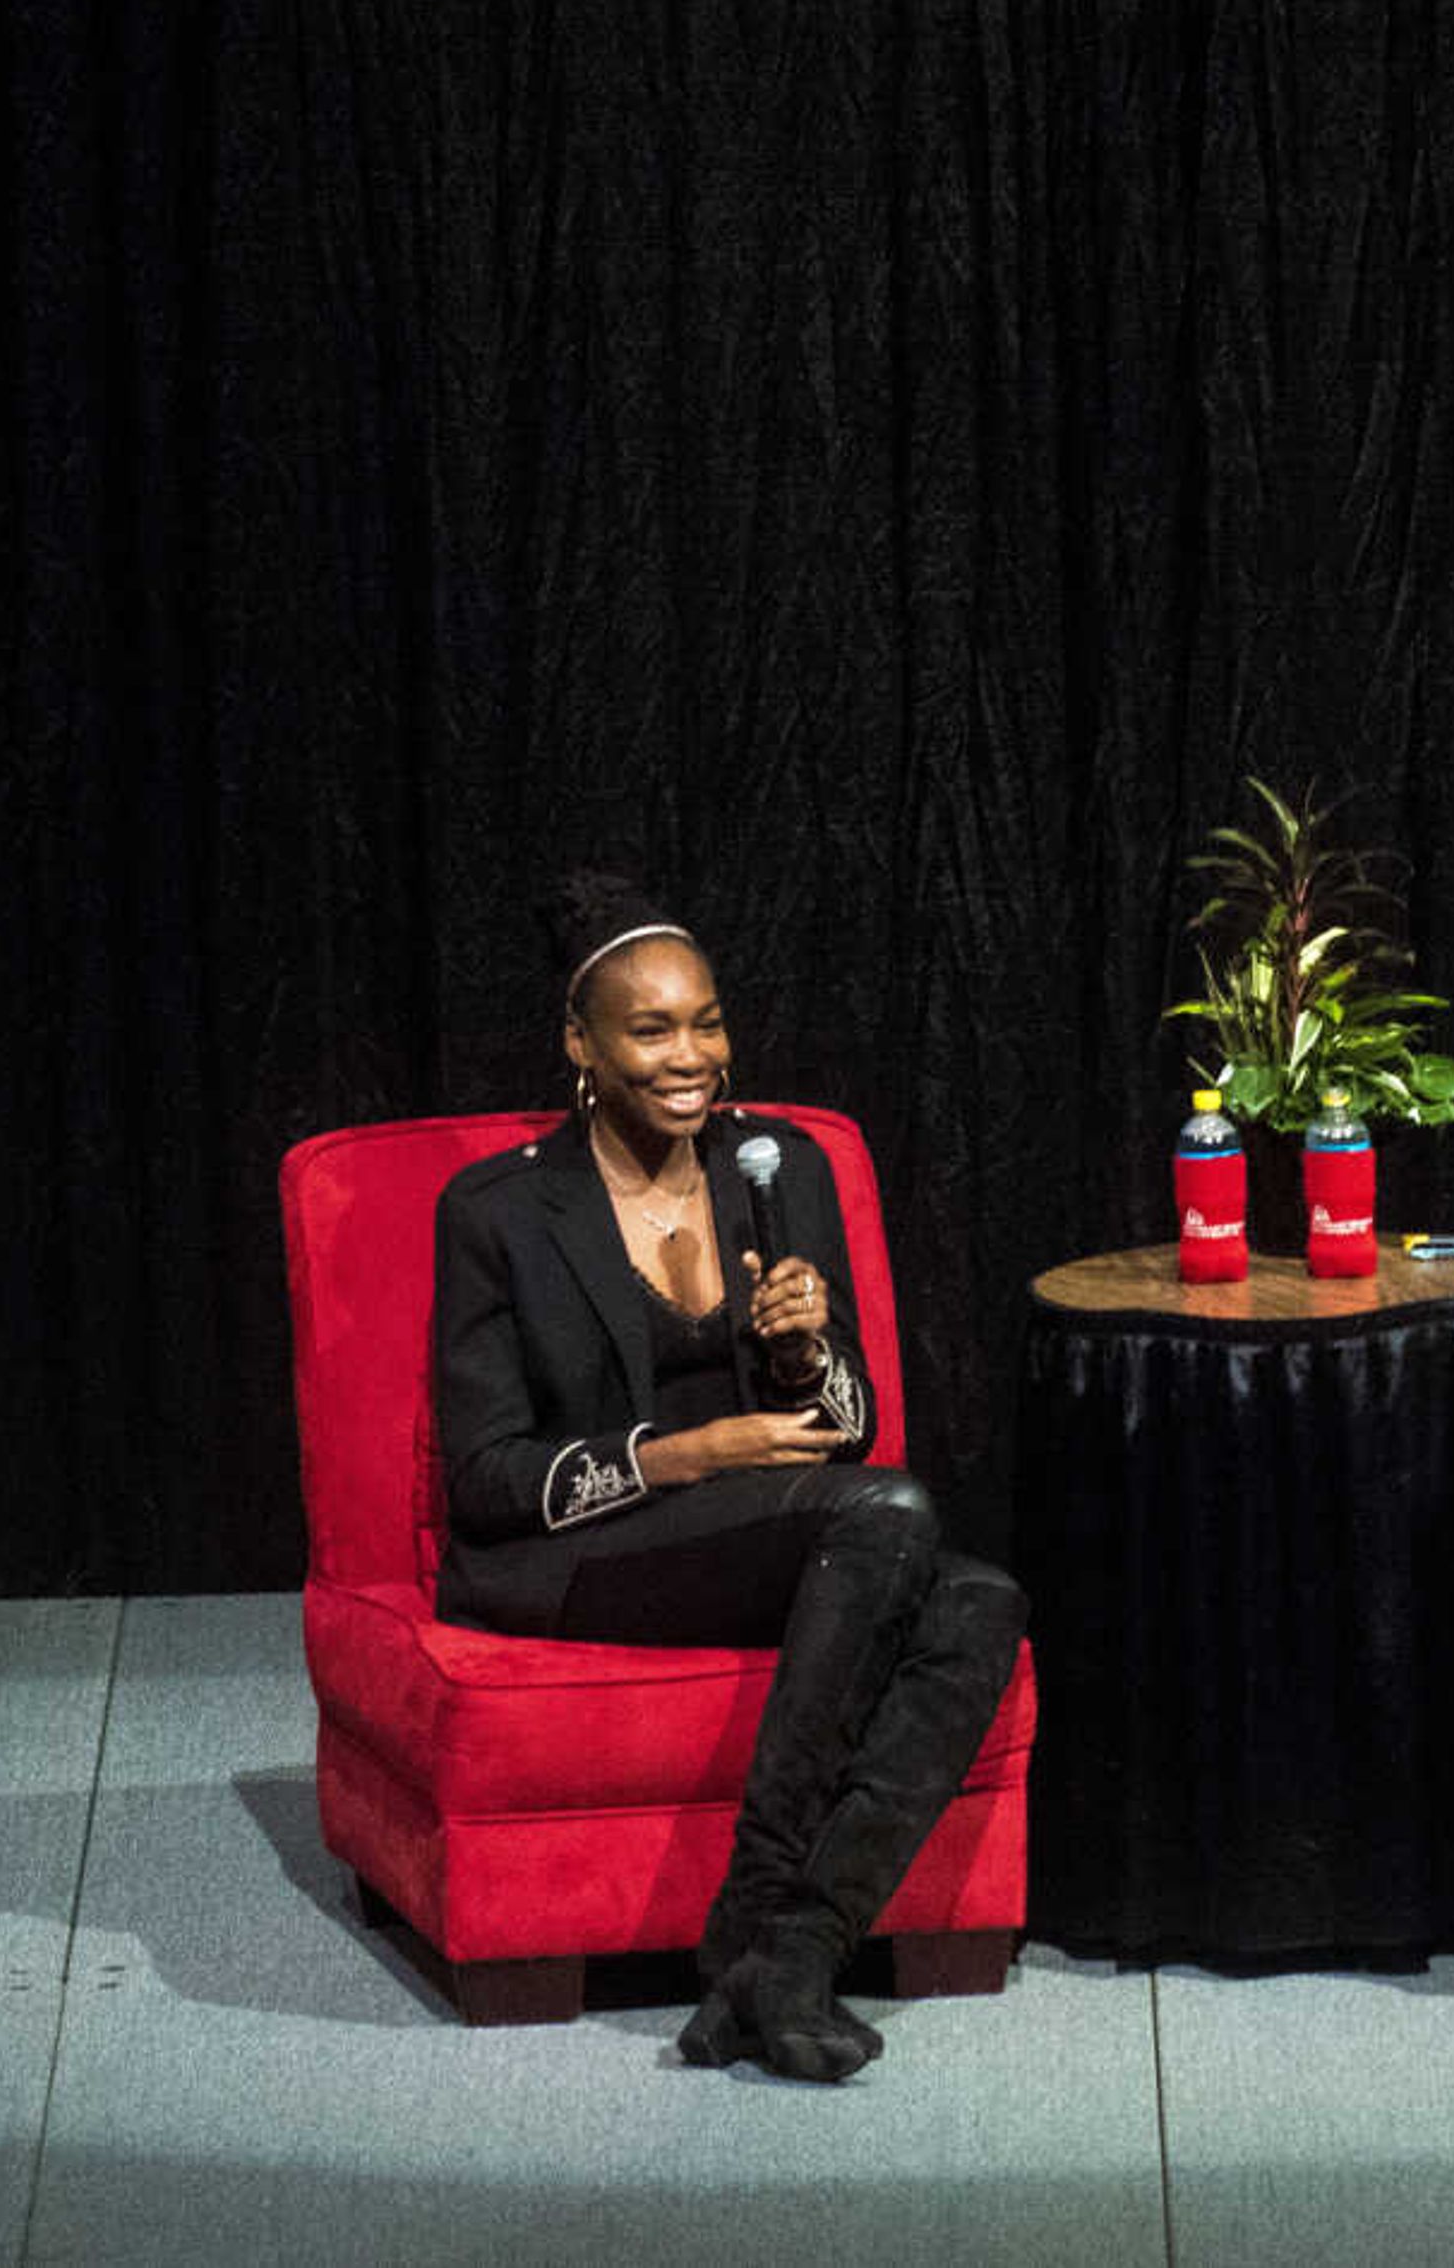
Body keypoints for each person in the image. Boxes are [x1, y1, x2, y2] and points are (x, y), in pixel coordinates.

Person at [429, 874, 1024, 2082]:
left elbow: (842, 1429)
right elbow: (486, 1483)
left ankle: (785, 1956)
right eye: (651, 1030)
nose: (690, 1054)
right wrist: (691, 1454)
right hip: (571, 1560)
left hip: (775, 1528)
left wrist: (810, 1354)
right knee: (890, 1516)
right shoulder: (498, 1211)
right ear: (581, 1044)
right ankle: (759, 1923)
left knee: (982, 1602)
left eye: (706, 1021)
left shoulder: (780, 1167)